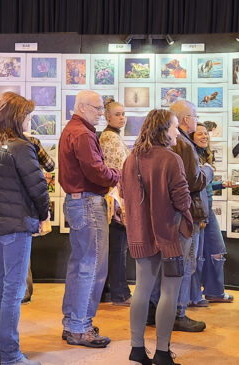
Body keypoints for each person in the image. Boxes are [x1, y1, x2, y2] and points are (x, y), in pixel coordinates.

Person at [0, 92, 50, 365]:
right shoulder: (20, 147)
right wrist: (43, 215)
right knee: (13, 291)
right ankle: (9, 355)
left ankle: (0, 351)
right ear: (17, 117)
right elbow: (38, 187)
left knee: (0, 288)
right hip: (16, 225)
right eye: (27, 116)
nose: (29, 121)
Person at [121, 108, 194, 365]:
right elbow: (183, 200)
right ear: (163, 129)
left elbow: (124, 195)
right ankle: (163, 352)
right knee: (169, 291)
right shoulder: (171, 159)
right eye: (174, 127)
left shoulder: (131, 159)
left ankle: (137, 349)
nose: (178, 132)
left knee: (141, 289)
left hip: (140, 233)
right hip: (171, 234)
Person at [58, 90, 119, 348]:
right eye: (97, 108)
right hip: (88, 203)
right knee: (91, 266)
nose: (101, 113)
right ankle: (80, 327)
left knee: (79, 265)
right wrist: (117, 176)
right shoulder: (83, 133)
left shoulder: (73, 130)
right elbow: (95, 170)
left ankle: (73, 322)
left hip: (77, 202)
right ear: (82, 107)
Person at [149, 100, 207, 333]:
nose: (196, 120)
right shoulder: (183, 144)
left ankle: (156, 311)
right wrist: (208, 171)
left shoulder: (161, 145)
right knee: (185, 263)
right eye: (195, 116)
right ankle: (178, 313)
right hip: (186, 214)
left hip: (167, 214)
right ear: (185, 120)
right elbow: (193, 181)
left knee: (164, 265)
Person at [189, 123, 234, 305]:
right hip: (198, 211)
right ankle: (194, 296)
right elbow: (194, 185)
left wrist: (221, 185)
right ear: (191, 137)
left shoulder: (202, 156)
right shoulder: (191, 156)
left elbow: (204, 185)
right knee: (197, 255)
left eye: (206, 133)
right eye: (200, 133)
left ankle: (215, 292)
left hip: (207, 210)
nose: (204, 136)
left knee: (216, 251)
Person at [98, 98, 132, 306]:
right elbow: (120, 169)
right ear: (107, 117)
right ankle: (120, 293)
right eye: (117, 114)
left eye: (123, 114)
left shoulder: (112, 136)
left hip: (114, 198)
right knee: (118, 248)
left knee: (114, 247)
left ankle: (108, 291)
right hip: (116, 199)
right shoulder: (110, 137)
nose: (122, 118)